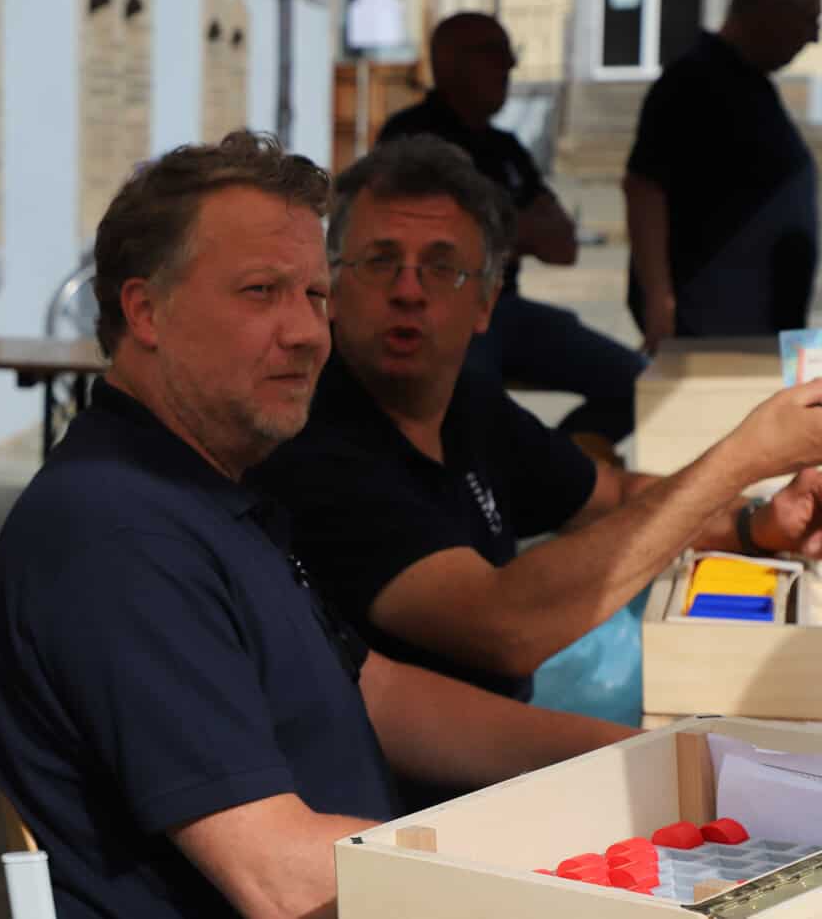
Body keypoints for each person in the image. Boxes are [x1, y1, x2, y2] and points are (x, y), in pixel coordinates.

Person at [0, 131, 636, 919]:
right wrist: (574, 876)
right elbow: (278, 875)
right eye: (262, 292)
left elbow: (378, 695)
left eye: (316, 296)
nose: (307, 333)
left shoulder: (213, 488)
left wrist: (629, 760)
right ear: (146, 311)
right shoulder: (116, 535)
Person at [257, 135, 822, 808]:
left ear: (487, 302)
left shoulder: (465, 404)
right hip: (406, 804)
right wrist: (743, 456)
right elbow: (501, 626)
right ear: (334, 288)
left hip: (501, 756)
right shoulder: (316, 442)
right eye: (380, 261)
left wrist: (760, 523)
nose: (408, 290)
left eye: (441, 267)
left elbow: (613, 496)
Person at [379, 12, 645, 450]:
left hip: (506, 307)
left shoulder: (507, 148)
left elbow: (563, 247)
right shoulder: (411, 137)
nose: (510, 66)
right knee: (473, 412)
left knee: (639, 382)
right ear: (449, 61)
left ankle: (552, 471)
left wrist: (486, 229)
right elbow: (431, 240)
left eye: (510, 53)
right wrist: (515, 230)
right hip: (439, 313)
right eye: (495, 53)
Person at [625, 0, 822, 350]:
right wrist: (660, 300)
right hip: (712, 317)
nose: (814, 37)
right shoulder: (693, 80)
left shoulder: (750, 81)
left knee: (796, 390)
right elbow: (644, 188)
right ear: (770, 11)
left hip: (765, 318)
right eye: (808, 19)